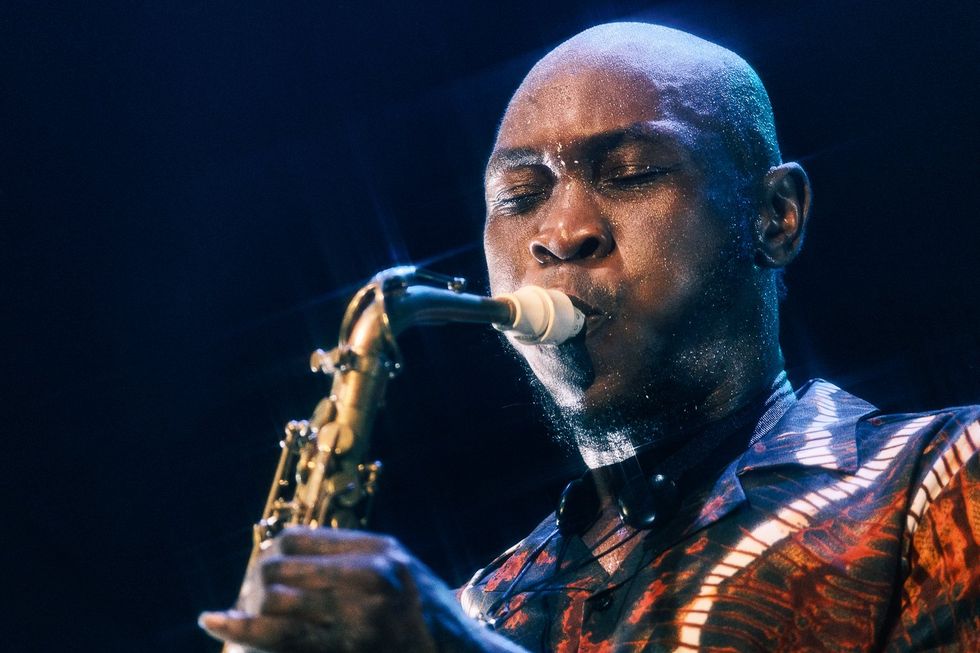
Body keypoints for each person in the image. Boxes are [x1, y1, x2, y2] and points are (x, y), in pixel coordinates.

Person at [200, 22, 980, 652]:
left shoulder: (943, 477)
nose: (561, 232)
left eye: (631, 172)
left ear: (776, 215)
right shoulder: (481, 604)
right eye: (519, 194)